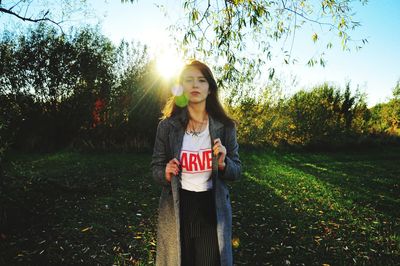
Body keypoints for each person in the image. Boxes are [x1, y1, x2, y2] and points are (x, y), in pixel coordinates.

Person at [151, 60, 241, 266]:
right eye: (189, 80)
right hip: (178, 207)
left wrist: (223, 163)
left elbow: (237, 170)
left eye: (201, 80)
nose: (195, 85)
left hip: (211, 208)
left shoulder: (225, 127)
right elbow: (155, 167)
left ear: (210, 89)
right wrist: (165, 171)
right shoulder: (167, 127)